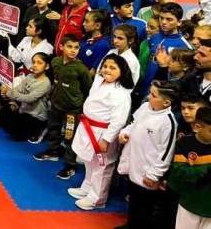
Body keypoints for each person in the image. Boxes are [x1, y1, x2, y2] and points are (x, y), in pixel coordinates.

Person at [67, 54, 134, 210]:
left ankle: (97, 198)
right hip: (89, 127)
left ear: (122, 71)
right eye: (105, 66)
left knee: (102, 166)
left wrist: (107, 139)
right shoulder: (100, 82)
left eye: (113, 68)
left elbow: (119, 120)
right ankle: (87, 188)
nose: (107, 70)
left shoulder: (121, 93)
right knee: (90, 162)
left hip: (103, 132)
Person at [117, 80, 179, 228]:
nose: (148, 96)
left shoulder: (168, 122)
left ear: (166, 103)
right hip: (134, 163)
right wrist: (124, 133)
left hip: (148, 171)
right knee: (134, 200)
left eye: (153, 95)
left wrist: (154, 174)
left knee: (145, 206)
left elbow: (166, 152)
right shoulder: (145, 107)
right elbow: (133, 124)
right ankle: (131, 224)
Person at [35, 35, 91, 181]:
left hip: (73, 109)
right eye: (69, 47)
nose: (73, 50)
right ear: (61, 47)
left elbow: (87, 89)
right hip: (56, 104)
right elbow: (56, 81)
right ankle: (53, 151)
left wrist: (80, 106)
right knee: (53, 127)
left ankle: (70, 165)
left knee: (70, 136)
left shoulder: (81, 69)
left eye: (76, 47)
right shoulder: (56, 62)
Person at [167, 106, 211, 229]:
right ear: (197, 127)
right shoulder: (184, 143)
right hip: (189, 203)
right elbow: (181, 172)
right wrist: (207, 169)